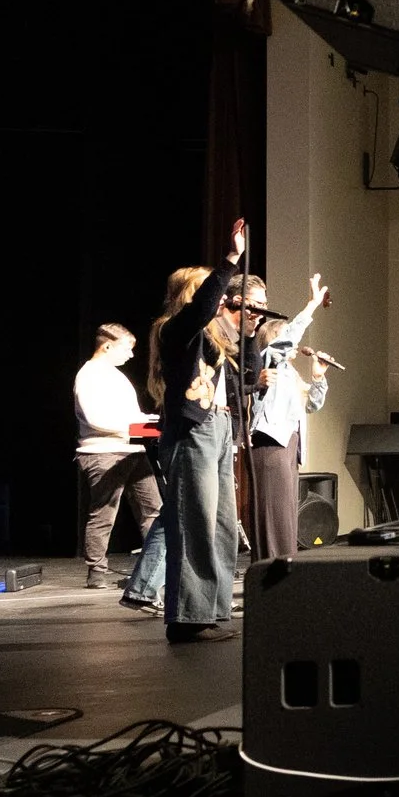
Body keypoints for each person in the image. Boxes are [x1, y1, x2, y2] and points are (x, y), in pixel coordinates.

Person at [157, 220, 251, 644]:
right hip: (191, 430)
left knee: (223, 525)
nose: (219, 300)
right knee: (195, 523)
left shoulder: (210, 339)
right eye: (210, 291)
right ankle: (187, 619)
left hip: (218, 427)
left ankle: (212, 611)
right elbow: (202, 308)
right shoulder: (174, 328)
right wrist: (231, 260)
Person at [118, 268, 210, 617]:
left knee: (173, 511)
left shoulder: (196, 328)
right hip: (184, 430)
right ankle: (149, 589)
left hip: (190, 426)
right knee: (177, 513)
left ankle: (142, 589)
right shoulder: (172, 327)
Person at [246, 273, 330, 559]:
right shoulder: (269, 361)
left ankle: (283, 567)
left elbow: (312, 405)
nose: (294, 343)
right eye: (287, 338)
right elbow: (288, 338)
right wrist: (310, 306)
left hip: (288, 446)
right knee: (274, 512)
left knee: (285, 512)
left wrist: (319, 379)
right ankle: (272, 568)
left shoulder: (290, 374)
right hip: (270, 444)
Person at [73, 324, 161, 589]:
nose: (131, 355)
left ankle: (157, 567)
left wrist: (150, 422)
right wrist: (137, 426)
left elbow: (130, 416)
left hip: (133, 450)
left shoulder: (117, 377)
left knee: (154, 511)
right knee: (104, 512)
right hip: (103, 452)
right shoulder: (88, 375)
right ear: (108, 346)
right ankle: (96, 572)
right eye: (126, 348)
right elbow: (95, 418)